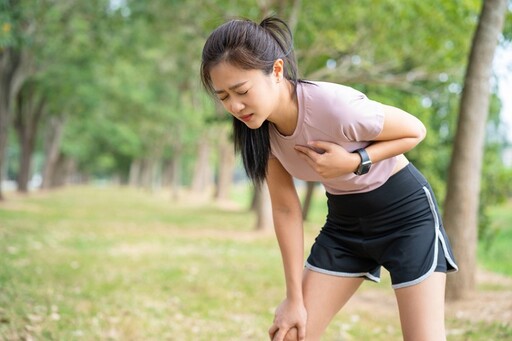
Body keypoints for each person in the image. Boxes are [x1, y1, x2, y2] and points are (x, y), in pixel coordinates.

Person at [200, 15, 458, 341]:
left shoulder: (336, 107)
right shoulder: (259, 132)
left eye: (241, 90)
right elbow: (285, 209)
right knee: (292, 333)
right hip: (345, 226)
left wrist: (355, 161)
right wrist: (293, 298)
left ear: (276, 71)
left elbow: (415, 130)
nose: (235, 106)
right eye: (223, 97)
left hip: (407, 219)